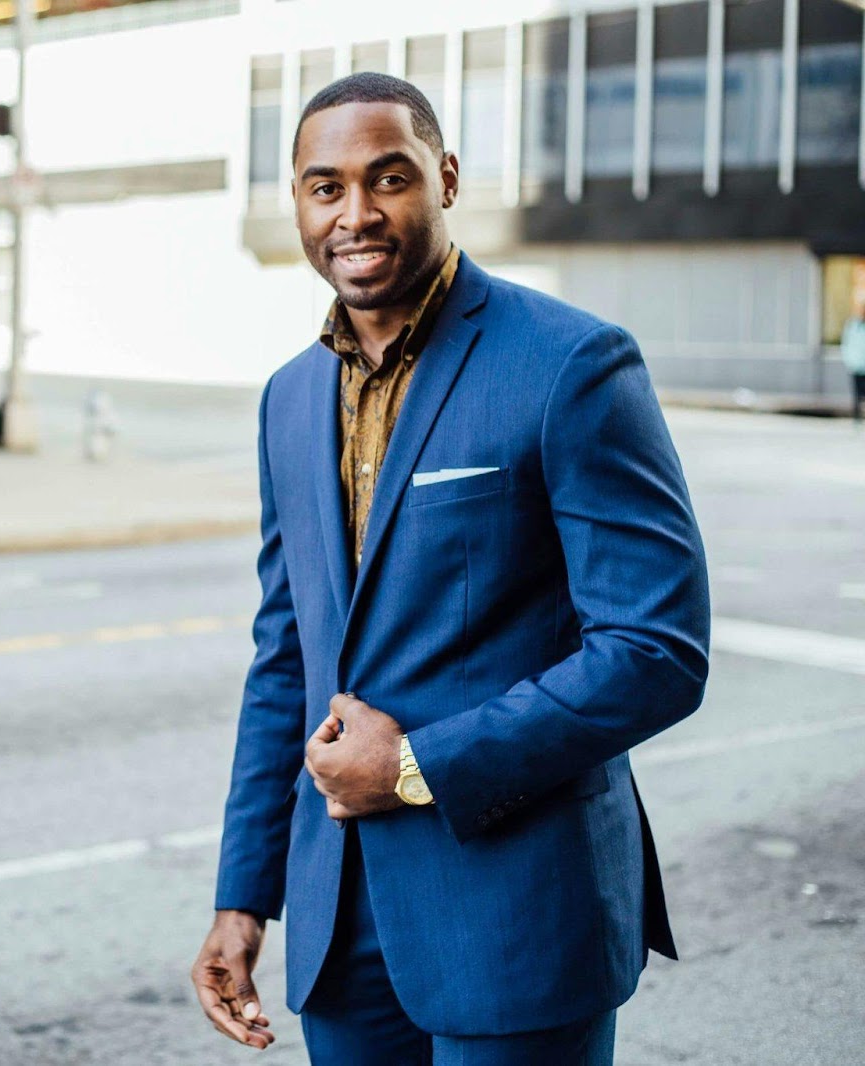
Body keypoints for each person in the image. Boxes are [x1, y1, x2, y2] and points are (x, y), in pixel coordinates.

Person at [190, 73, 711, 1065]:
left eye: (389, 178)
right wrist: (243, 895)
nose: (356, 213)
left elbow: (656, 650)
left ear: (446, 180)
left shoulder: (569, 362)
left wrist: (418, 765)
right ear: (295, 203)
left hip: (517, 908)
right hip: (340, 918)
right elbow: (284, 661)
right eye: (324, 187)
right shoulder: (287, 399)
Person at [843, 292, 865, 424]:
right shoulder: (852, 325)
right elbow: (846, 343)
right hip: (856, 364)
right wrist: (849, 359)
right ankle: (857, 417)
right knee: (857, 394)